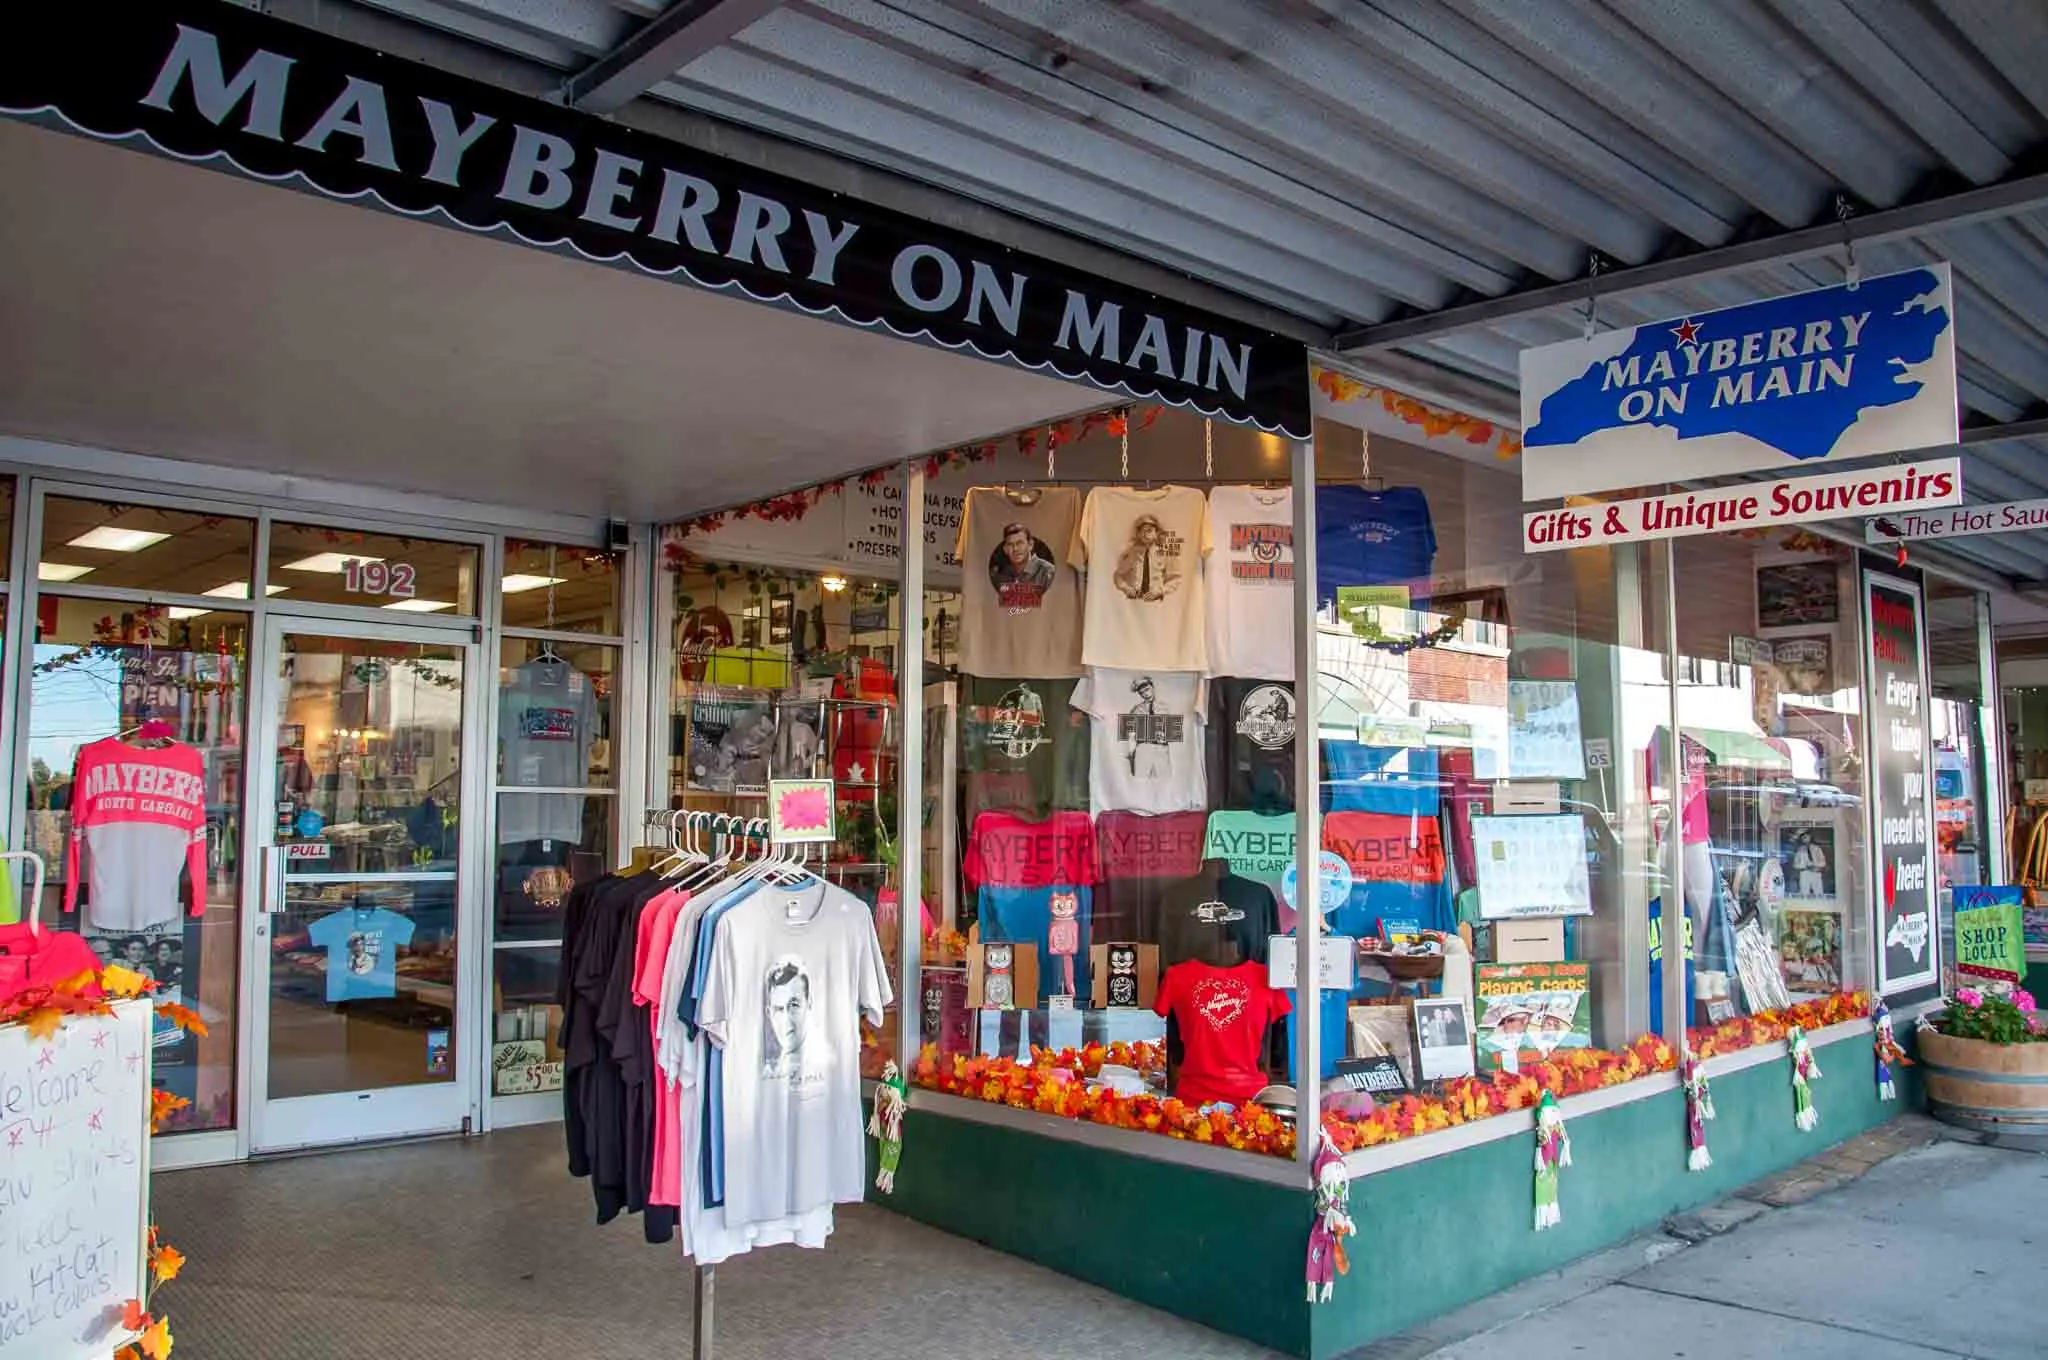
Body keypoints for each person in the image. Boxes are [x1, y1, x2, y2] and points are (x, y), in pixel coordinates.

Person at [1113, 514, 1179, 601]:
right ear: (1138, 534)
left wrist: (1161, 591)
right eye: (1142, 531)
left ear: (1156, 533)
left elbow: (1175, 578)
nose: (1145, 534)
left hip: (1157, 603)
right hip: (1134, 603)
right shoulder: (1131, 553)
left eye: (1149, 531)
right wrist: (1126, 588)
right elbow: (1118, 576)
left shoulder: (1164, 554)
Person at [763, 959, 811, 1078]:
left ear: (809, 1004)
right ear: (769, 1013)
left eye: (794, 1005)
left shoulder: (829, 1062)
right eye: (778, 1009)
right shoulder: (767, 1071)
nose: (786, 1019)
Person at [989, 523, 1056, 609]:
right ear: (1005, 549)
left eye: (1020, 543)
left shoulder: (1048, 572)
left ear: (1030, 545)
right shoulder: (999, 575)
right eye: (1010, 544)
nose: (1015, 549)